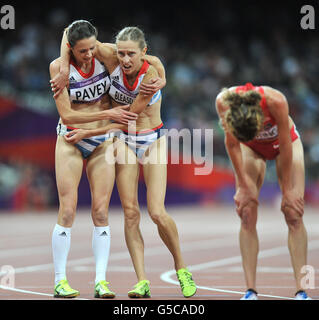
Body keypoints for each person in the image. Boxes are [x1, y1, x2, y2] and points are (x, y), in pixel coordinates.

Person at [61, 26, 197, 299]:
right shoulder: (109, 55)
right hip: (123, 141)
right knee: (130, 212)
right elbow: (69, 32)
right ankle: (142, 281)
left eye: (131, 54)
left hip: (151, 140)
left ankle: (182, 268)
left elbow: (128, 117)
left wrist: (87, 132)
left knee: (157, 212)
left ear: (143, 53)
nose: (125, 60)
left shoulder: (151, 72)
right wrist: (64, 66)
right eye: (121, 53)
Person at [49, 20, 139, 299]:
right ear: (70, 50)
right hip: (71, 140)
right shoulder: (58, 68)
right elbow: (68, 116)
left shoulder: (108, 54)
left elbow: (145, 55)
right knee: (68, 209)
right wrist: (108, 115)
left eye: (91, 48)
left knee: (101, 211)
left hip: (101, 141)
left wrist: (161, 76)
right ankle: (60, 281)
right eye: (81, 51)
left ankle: (101, 282)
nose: (88, 55)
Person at [215, 82, 311, 300]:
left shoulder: (276, 100)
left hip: (284, 143)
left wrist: (287, 191)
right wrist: (243, 186)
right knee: (246, 212)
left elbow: (286, 147)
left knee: (294, 213)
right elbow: (232, 145)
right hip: (250, 148)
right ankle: (250, 291)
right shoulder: (223, 102)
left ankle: (303, 290)